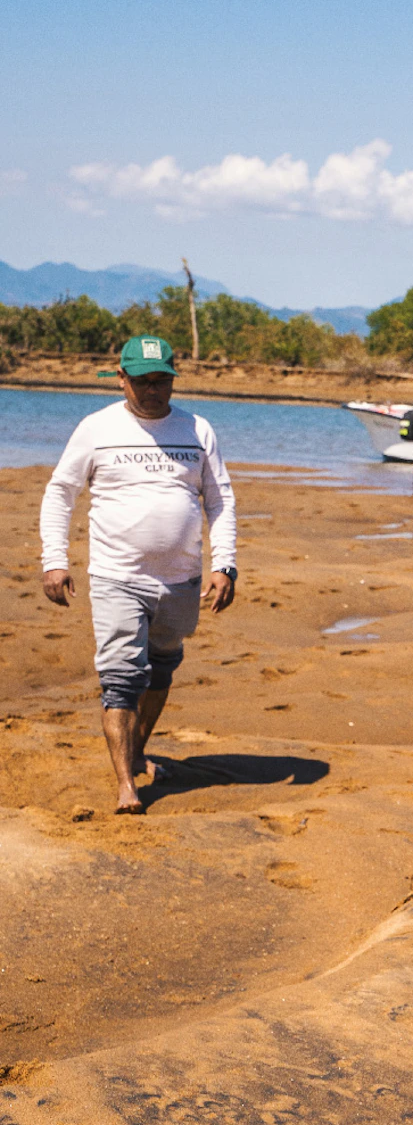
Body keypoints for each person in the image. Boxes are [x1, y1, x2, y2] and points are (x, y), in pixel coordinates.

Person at [38, 335, 238, 814]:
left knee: (162, 668)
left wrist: (224, 564)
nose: (153, 390)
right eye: (143, 380)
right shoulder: (96, 428)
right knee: (122, 679)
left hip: (181, 580)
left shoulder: (197, 429)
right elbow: (60, 493)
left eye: (162, 380)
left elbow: (220, 500)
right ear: (121, 378)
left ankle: (136, 750)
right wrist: (54, 560)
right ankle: (126, 784)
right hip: (116, 576)